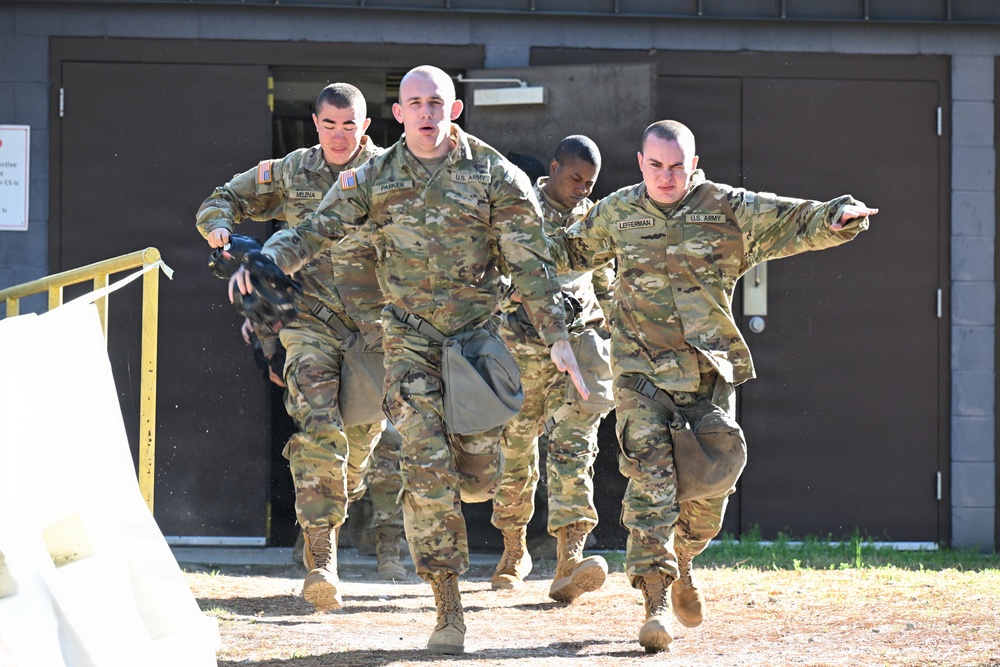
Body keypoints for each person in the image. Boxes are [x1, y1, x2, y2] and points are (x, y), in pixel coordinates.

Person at [230, 65, 588, 655]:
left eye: (436, 102)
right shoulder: (376, 176)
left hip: (475, 342)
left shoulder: (494, 174)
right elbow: (317, 229)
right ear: (398, 113)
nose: (426, 112)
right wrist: (266, 262)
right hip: (408, 342)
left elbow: (531, 263)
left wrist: (557, 336)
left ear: (456, 109)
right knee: (426, 468)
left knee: (477, 472)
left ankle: (475, 478)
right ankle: (448, 607)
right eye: (414, 103)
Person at [549, 119, 877, 653]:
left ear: (694, 164)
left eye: (678, 166)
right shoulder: (618, 212)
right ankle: (654, 606)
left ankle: (685, 560)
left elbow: (791, 219)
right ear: (640, 164)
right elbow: (562, 253)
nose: (667, 176)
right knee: (651, 489)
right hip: (641, 378)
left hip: (708, 377)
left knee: (707, 495)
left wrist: (837, 217)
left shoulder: (725, 207)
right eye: (656, 166)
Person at [196, 82, 405, 611]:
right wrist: (222, 234)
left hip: (372, 329)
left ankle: (332, 507)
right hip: (306, 320)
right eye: (330, 125)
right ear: (316, 124)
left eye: (350, 125)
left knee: (358, 451)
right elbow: (221, 199)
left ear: (366, 125)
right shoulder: (291, 171)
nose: (340, 135)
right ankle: (322, 561)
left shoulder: (391, 171)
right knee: (319, 430)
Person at [490, 135, 615, 603]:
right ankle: (514, 549)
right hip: (522, 346)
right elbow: (490, 277)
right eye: (574, 178)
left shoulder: (593, 217)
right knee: (517, 451)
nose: (581, 188)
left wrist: (614, 325)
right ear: (555, 166)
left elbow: (606, 280)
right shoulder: (519, 210)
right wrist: (519, 294)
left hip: (580, 350)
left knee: (574, 449)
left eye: (590, 182)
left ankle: (569, 558)